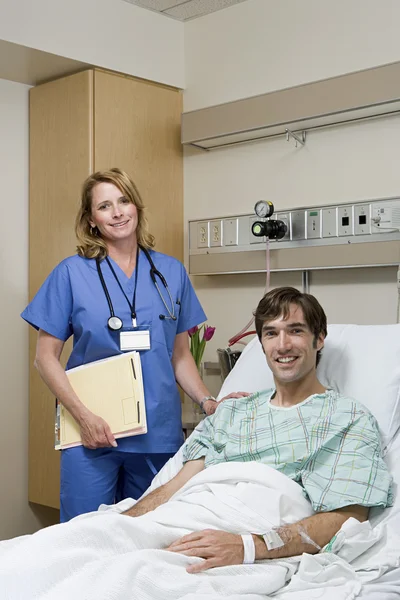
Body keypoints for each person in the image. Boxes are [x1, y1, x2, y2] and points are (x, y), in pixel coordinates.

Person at [21, 167, 242, 523]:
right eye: (105, 206)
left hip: (158, 432)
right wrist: (84, 417)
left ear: (137, 206)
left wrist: (208, 401)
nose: (118, 212)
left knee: (147, 536)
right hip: (92, 432)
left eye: (124, 201)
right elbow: (45, 358)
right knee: (83, 535)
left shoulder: (171, 273)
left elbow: (179, 355)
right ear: (91, 220)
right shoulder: (71, 273)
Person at [121, 286, 393, 572]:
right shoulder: (234, 412)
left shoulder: (347, 417)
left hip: (244, 537)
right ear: (262, 344)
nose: (283, 345)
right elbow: (177, 486)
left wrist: (249, 546)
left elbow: (348, 516)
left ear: (319, 340)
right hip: (183, 521)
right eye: (271, 333)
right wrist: (123, 524)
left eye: (296, 331)